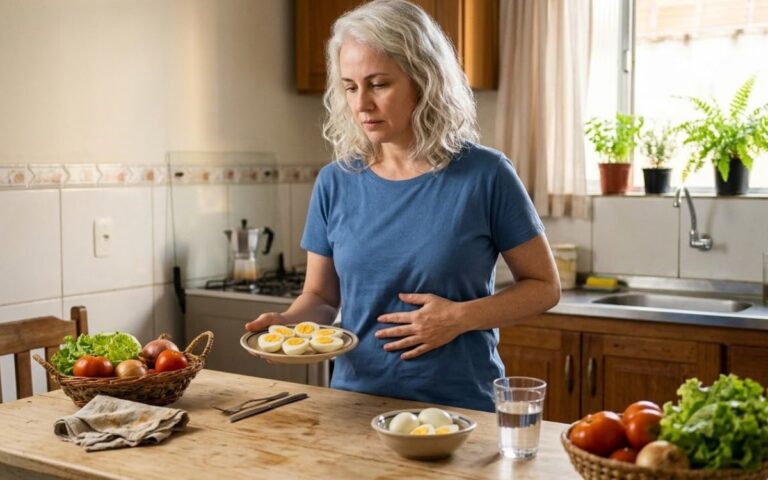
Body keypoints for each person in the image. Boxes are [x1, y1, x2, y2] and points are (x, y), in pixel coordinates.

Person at [246, 0, 560, 412]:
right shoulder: (335, 181)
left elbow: (544, 287)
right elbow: (322, 296)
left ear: (423, 81)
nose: (361, 104)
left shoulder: (485, 175)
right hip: (354, 405)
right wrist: (288, 325)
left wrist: (459, 317)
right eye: (350, 86)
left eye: (378, 84)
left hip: (460, 409)